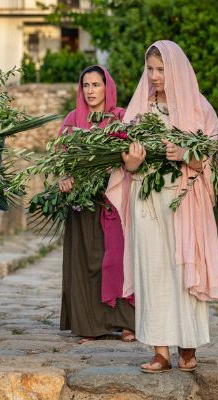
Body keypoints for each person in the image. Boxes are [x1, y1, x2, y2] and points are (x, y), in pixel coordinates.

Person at [105, 40, 218, 373]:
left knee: (181, 269)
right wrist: (130, 163)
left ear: (176, 70)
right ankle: (160, 350)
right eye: (150, 70)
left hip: (183, 201)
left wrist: (187, 155)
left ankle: (188, 345)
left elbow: (213, 158)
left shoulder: (200, 109)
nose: (154, 76)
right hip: (147, 199)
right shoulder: (140, 109)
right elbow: (122, 160)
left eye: (161, 69)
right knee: (152, 269)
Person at [59, 65, 136, 344]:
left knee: (116, 259)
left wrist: (112, 170)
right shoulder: (72, 120)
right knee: (86, 262)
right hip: (82, 202)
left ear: (107, 88)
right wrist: (64, 178)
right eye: (86, 86)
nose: (90, 91)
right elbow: (61, 161)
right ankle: (89, 325)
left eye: (96, 85)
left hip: (113, 201)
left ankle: (127, 322)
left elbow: (132, 157)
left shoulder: (121, 118)